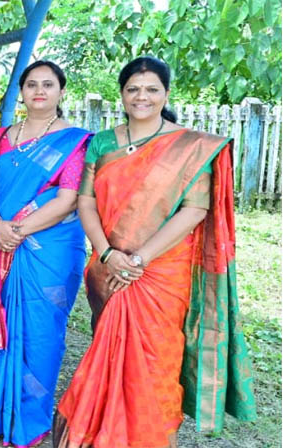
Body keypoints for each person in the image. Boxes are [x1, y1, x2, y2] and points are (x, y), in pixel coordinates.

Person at [53, 56, 257, 448]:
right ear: (121, 93)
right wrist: (108, 254)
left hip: (161, 272)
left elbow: (194, 210)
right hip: (108, 266)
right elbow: (86, 202)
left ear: (166, 93)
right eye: (133, 89)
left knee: (157, 362)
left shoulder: (191, 147)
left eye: (151, 89)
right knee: (110, 353)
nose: (141, 97)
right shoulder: (102, 142)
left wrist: (138, 259)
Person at [0, 61, 90, 447]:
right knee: (3, 324)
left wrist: (18, 231)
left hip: (50, 250)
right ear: (21, 91)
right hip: (0, 242)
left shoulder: (74, 140)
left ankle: (30, 418)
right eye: (31, 84)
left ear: (61, 91)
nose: (39, 91)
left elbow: (68, 199)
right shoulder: (0, 137)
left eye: (48, 84)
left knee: (41, 333)